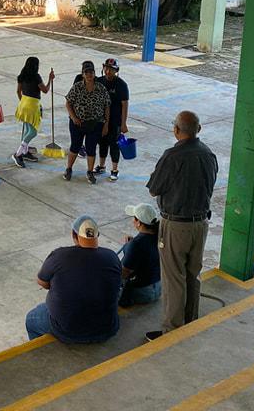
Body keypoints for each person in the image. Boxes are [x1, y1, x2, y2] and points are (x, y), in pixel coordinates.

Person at [145, 110, 218, 341]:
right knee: (192, 274)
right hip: (201, 223)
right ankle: (190, 320)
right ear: (199, 129)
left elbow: (154, 188)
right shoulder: (208, 154)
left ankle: (172, 330)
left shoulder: (172, 156)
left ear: (176, 130)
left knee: (173, 278)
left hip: (176, 225)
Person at [25, 216, 122, 344]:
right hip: (107, 328)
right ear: (97, 235)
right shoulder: (112, 257)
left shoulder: (59, 256)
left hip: (67, 330)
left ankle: (42, 352)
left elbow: (42, 282)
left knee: (31, 319)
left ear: (74, 235)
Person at [64, 61, 110, 184]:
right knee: (75, 146)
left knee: (91, 148)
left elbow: (107, 106)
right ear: (83, 74)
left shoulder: (101, 88)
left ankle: (90, 172)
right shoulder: (77, 87)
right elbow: (68, 103)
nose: (89, 75)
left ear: (95, 74)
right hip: (77, 124)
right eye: (87, 73)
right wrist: (73, 117)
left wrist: (106, 124)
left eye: (91, 72)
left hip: (95, 124)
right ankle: (69, 169)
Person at [12, 57, 54, 169]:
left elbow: (18, 91)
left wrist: (23, 102)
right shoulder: (36, 76)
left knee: (27, 129)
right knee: (33, 132)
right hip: (32, 105)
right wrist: (50, 79)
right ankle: (18, 154)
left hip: (23, 103)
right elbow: (45, 90)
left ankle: (25, 152)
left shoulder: (22, 75)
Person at [118, 203, 161, 307]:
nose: (133, 221)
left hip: (143, 293)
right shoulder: (160, 236)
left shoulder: (136, 244)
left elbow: (125, 273)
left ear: (139, 223)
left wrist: (129, 247)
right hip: (158, 288)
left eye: (134, 219)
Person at [97, 59, 129, 181]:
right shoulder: (99, 81)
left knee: (114, 144)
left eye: (111, 69)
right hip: (101, 119)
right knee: (102, 143)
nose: (108, 71)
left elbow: (124, 105)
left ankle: (115, 169)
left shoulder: (121, 85)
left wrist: (123, 123)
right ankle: (101, 166)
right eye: (106, 68)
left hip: (115, 120)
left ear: (116, 71)